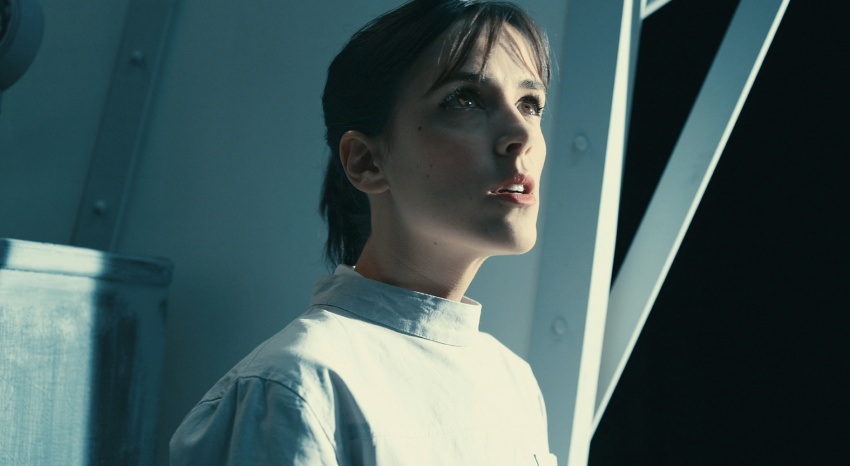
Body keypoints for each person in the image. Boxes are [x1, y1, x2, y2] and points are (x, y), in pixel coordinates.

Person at [170, 0, 556, 464]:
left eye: (530, 104)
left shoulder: (513, 382)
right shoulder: (297, 385)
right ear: (367, 161)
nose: (521, 134)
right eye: (465, 100)